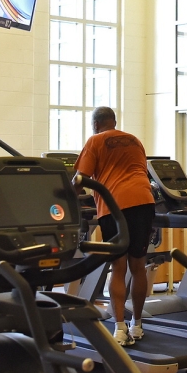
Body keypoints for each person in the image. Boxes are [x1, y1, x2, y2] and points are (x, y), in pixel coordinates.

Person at [73, 106, 157, 346]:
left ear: (96, 124)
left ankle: (120, 329)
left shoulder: (95, 140)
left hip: (115, 204)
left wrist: (65, 200)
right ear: (114, 122)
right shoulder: (134, 140)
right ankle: (137, 325)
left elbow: (80, 179)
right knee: (138, 265)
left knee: (118, 267)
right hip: (144, 200)